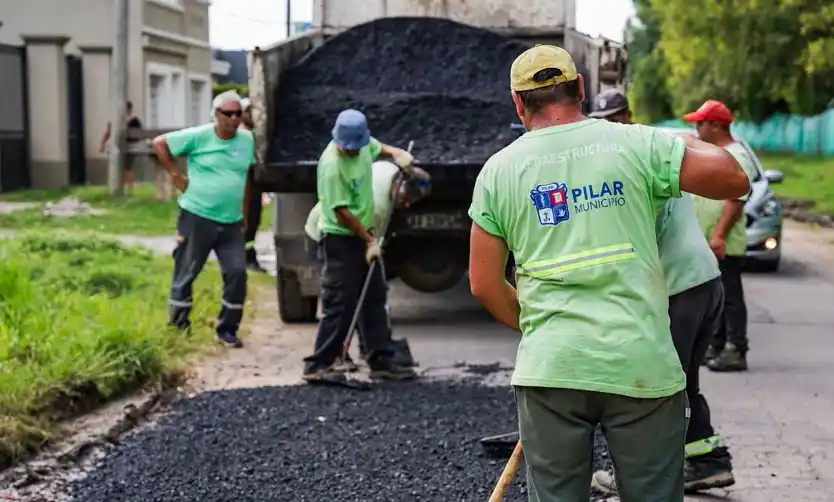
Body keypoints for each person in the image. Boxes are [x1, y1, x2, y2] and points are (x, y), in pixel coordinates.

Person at [467, 45, 750, 501]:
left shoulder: (497, 171)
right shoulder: (636, 144)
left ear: (518, 103)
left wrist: (544, 329)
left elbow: (482, 283)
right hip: (640, 364)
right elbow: (735, 178)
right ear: (580, 88)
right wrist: (676, 139)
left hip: (552, 367)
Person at [587, 89, 737, 494]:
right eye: (601, 122)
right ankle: (707, 460)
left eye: (613, 119)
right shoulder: (652, 150)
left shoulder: (630, 165)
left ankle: (636, 476)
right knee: (682, 382)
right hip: (704, 281)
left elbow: (628, 245)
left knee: (648, 388)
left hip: (680, 287)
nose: (608, 128)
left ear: (627, 116)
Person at [302, 108, 419, 383]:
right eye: (347, 147)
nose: (352, 151)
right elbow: (341, 211)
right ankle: (319, 364)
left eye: (355, 146)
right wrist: (369, 241)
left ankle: (380, 360)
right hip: (339, 238)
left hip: (362, 233)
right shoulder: (332, 166)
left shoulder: (364, 144)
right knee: (340, 302)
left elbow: (378, 148)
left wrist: (397, 154)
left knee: (374, 297)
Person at [152, 90, 256, 349]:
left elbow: (246, 179)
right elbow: (159, 143)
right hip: (197, 216)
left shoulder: (247, 141)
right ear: (215, 115)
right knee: (187, 270)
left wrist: (244, 214)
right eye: (228, 114)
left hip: (231, 221)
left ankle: (227, 330)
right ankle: (178, 326)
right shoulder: (200, 136)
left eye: (238, 113)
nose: (234, 118)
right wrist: (176, 176)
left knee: (237, 273)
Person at [304, 160, 432, 372]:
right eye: (406, 198)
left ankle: (377, 354)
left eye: (413, 201)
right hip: (328, 234)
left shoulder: (391, 170)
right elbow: (366, 237)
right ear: (398, 185)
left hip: (354, 233)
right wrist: (372, 245)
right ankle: (324, 361)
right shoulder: (379, 207)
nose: (407, 205)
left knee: (373, 293)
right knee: (342, 299)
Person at [683, 100, 759, 372]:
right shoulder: (717, 153)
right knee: (716, 296)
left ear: (715, 125)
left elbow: (736, 200)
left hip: (724, 242)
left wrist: (719, 235)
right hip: (711, 241)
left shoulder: (736, 155)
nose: (696, 129)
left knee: (730, 297)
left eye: (700, 123)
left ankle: (736, 348)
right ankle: (716, 344)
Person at [239, 98, 268, 273]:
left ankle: (249, 255)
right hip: (246, 184)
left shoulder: (252, 133)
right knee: (248, 220)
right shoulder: (244, 135)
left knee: (253, 220)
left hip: (253, 184)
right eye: (248, 112)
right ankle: (246, 258)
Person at [99, 100, 142, 192]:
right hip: (118, 147)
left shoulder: (134, 121)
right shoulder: (116, 121)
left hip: (129, 147)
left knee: (127, 167)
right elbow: (107, 132)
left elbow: (138, 135)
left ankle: (129, 186)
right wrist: (102, 144)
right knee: (122, 167)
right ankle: (121, 186)